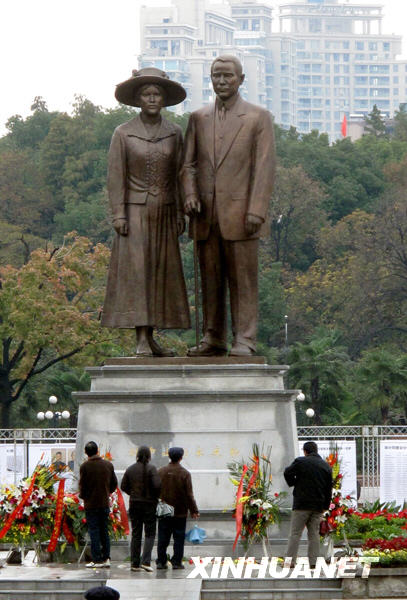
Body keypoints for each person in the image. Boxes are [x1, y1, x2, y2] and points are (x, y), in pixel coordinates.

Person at [181, 55, 276, 356]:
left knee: (242, 280)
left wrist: (256, 210)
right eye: (216, 76)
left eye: (228, 76)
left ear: (241, 79)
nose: (221, 81)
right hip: (205, 216)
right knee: (210, 280)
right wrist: (189, 194)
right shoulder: (198, 118)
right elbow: (188, 165)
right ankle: (214, 336)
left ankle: (245, 338)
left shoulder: (258, 117)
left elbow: (264, 167)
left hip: (242, 214)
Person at [101, 67, 190, 356]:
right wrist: (118, 214)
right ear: (138, 99)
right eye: (147, 94)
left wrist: (180, 213)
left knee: (160, 273)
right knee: (138, 272)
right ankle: (140, 337)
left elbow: (181, 174)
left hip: (164, 211)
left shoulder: (174, 133)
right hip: (134, 212)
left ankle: (152, 337)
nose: (152, 99)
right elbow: (116, 176)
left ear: (163, 100)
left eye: (157, 94)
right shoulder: (123, 133)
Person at [284, 441, 333, 568]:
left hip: (301, 504)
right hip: (317, 506)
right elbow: (329, 489)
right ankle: (313, 562)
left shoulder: (301, 462)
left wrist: (294, 483)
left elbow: (287, 472)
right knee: (314, 535)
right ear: (316, 451)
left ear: (305, 451)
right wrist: (325, 506)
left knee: (295, 534)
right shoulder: (326, 466)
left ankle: (290, 562)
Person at [156, 447, 199, 569]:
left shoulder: (161, 472)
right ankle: (176, 562)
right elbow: (189, 494)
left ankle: (161, 561)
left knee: (163, 537)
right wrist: (194, 510)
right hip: (180, 511)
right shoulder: (185, 473)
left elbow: (156, 491)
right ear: (181, 457)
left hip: (164, 511)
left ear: (169, 456)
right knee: (179, 538)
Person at [120, 446, 161, 572]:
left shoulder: (130, 469)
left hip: (135, 504)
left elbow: (123, 486)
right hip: (150, 504)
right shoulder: (152, 469)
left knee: (136, 533)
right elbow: (157, 485)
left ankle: (135, 563)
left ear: (137, 455)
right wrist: (155, 495)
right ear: (149, 456)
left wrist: (133, 494)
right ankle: (146, 561)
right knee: (150, 533)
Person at [79, 441, 118, 568]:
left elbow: (82, 486)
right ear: (97, 451)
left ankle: (97, 559)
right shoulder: (108, 465)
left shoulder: (85, 466)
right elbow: (113, 484)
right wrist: (107, 493)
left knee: (94, 531)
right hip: (104, 503)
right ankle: (107, 557)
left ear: (86, 452)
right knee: (104, 531)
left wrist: (84, 497)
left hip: (91, 504)